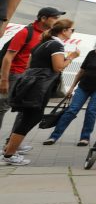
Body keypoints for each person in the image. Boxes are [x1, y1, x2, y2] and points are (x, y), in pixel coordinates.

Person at [2, 19, 79, 165]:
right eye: (71, 30)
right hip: (39, 87)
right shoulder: (56, 45)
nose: (72, 32)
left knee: (28, 117)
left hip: (30, 84)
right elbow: (58, 67)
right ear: (64, 31)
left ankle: (8, 149)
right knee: (31, 118)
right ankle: (9, 155)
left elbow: (29, 64)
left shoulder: (42, 44)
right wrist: (71, 57)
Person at [44, 32, 96, 146]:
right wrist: (71, 87)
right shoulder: (92, 53)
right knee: (72, 110)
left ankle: (84, 138)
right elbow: (82, 71)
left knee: (91, 111)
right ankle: (53, 136)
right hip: (83, 86)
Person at [1, 6, 65, 136]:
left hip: (29, 77)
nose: (57, 21)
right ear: (43, 18)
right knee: (2, 108)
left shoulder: (46, 36)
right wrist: (4, 80)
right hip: (15, 74)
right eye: (55, 18)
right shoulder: (26, 32)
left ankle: (11, 144)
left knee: (25, 110)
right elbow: (8, 57)